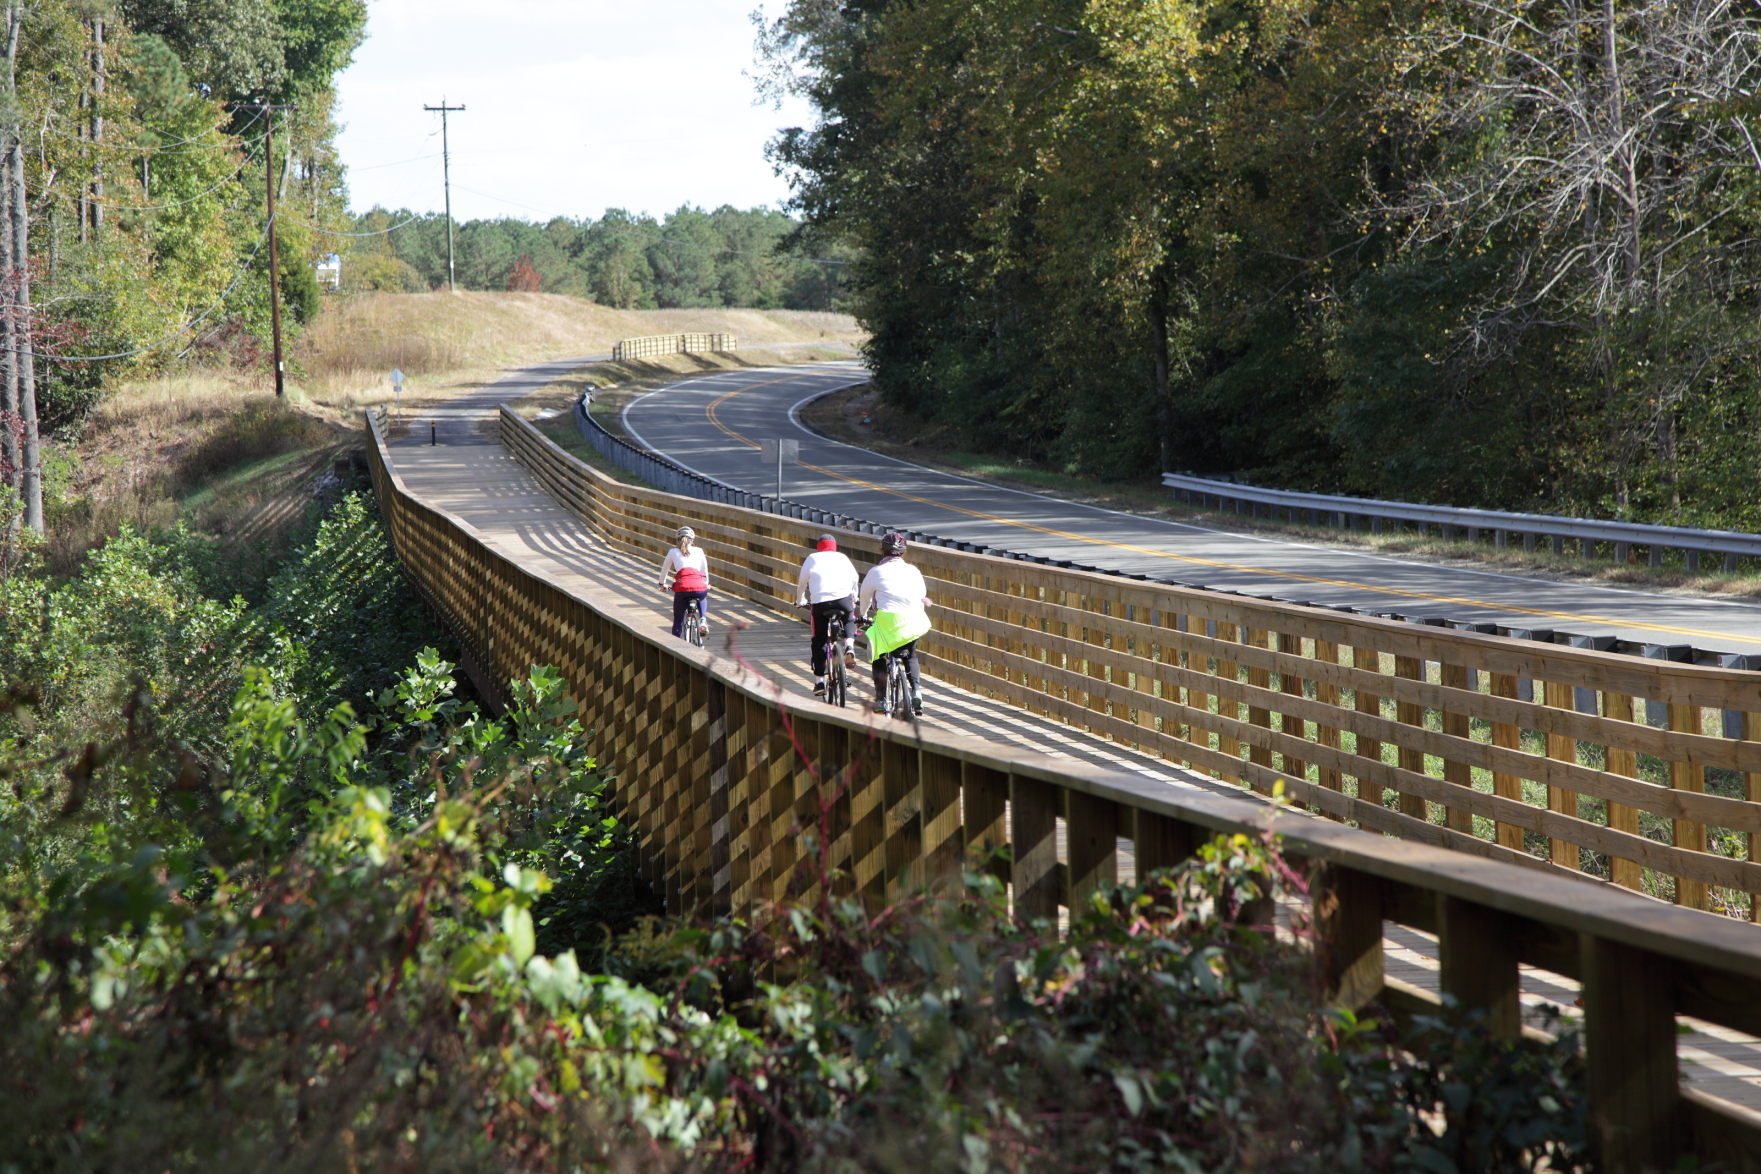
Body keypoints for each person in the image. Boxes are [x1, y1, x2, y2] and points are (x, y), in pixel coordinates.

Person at [858, 531, 931, 715]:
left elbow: (865, 596)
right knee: (911, 656)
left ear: (882, 551)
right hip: (913, 619)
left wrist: (862, 614)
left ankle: (881, 698)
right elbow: (921, 595)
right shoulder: (914, 571)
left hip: (888, 621)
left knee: (879, 654)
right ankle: (916, 691)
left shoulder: (876, 572)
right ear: (903, 552)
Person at [796, 533, 859, 696]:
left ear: (819, 547)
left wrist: (800, 599)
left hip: (820, 602)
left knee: (819, 640)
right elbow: (855, 578)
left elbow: (802, 582)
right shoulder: (843, 557)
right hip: (843, 600)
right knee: (849, 618)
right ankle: (849, 645)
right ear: (834, 547)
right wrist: (855, 595)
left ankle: (819, 682)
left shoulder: (812, 558)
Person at [658, 525, 710, 641]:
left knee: (678, 620)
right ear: (692, 540)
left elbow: (664, 570)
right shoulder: (699, 551)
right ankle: (703, 619)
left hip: (682, 589)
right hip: (699, 588)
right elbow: (705, 571)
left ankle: (676, 646)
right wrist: (706, 584)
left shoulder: (673, 551)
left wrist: (662, 584)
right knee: (702, 593)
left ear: (678, 539)